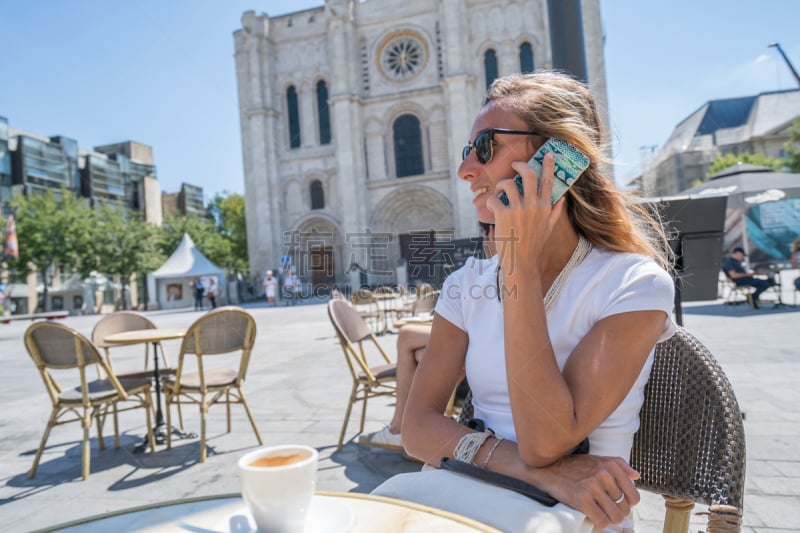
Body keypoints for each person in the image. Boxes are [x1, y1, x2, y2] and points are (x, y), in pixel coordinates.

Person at [372, 71, 676, 532]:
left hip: (574, 520)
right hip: (460, 500)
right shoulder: (466, 283)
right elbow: (415, 429)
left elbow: (544, 440)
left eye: (486, 147)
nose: (466, 170)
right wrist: (542, 472)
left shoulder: (633, 284)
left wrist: (518, 266)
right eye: (465, 151)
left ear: (560, 158)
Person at [358, 222, 496, 452]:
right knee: (422, 352)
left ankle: (399, 427)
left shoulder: (490, 272)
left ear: (491, 233)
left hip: (477, 379)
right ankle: (404, 428)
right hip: (474, 372)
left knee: (408, 337)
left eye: (484, 234)